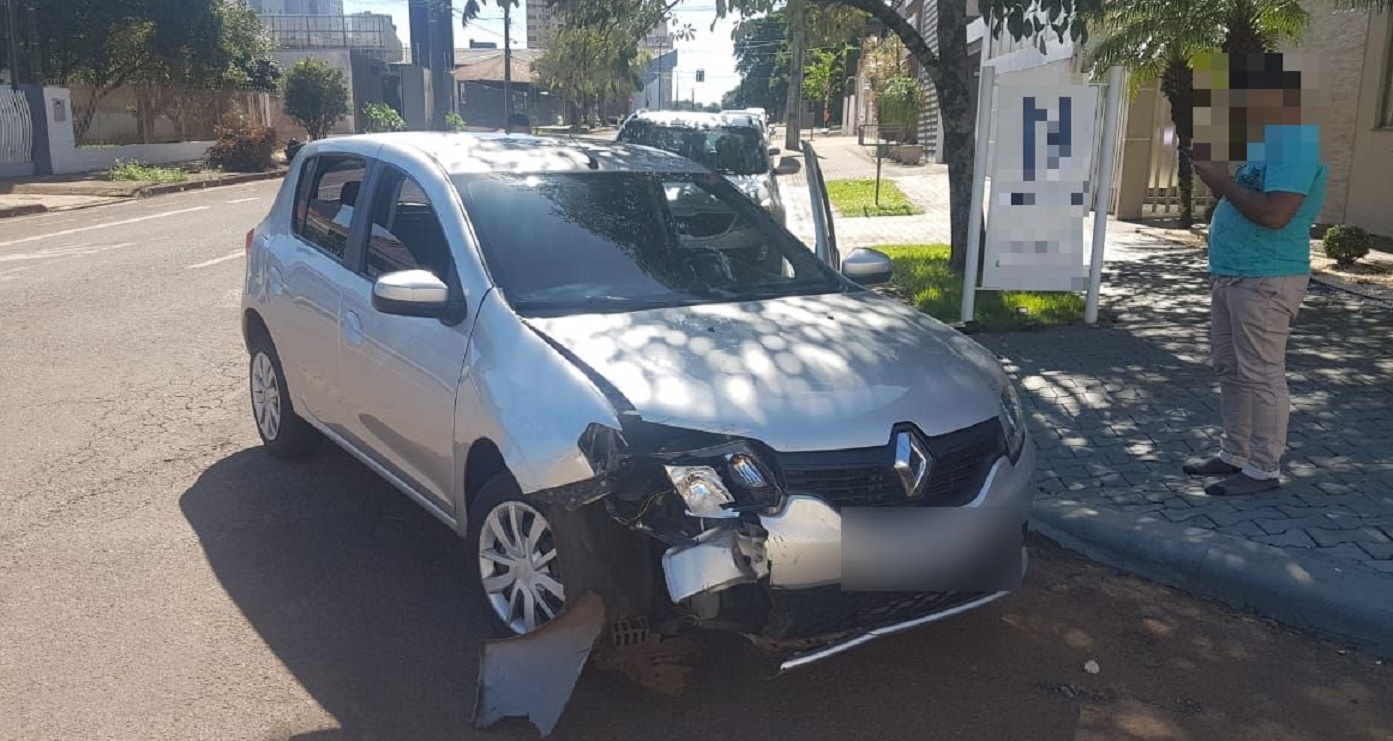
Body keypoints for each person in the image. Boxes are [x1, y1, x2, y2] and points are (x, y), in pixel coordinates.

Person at [1186, 52, 1328, 497]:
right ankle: (1234, 454)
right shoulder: (1266, 145)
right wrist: (1213, 175)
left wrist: (1224, 182)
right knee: (1231, 368)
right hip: (1233, 273)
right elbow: (1238, 196)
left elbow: (1274, 215)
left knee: (1261, 372)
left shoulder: (1295, 143)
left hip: (1265, 279)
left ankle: (1264, 468)